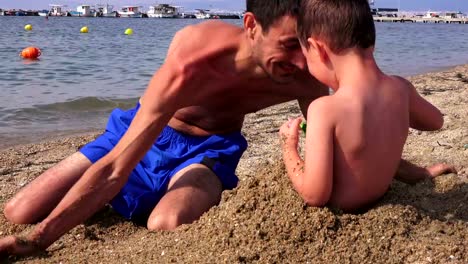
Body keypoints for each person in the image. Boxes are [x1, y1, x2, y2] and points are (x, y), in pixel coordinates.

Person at [0, 0, 454, 258]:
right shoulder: (193, 56)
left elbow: (342, 143)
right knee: (21, 211)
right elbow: (121, 160)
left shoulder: (306, 74)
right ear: (252, 26)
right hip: (138, 138)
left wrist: (413, 172)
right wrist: (37, 241)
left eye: (306, 49)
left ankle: (118, 204)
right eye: (289, 45)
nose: (300, 62)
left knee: (167, 222)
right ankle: (99, 201)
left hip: (207, 153)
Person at [279, 0, 455, 211]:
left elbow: (315, 194)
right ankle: (416, 174)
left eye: (306, 57)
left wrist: (289, 146)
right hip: (380, 195)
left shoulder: (323, 109)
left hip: (344, 215)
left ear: (317, 49)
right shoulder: (401, 89)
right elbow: (435, 121)